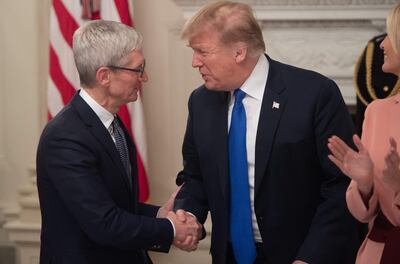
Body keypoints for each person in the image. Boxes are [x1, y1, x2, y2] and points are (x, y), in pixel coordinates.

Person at [173, 1, 360, 263]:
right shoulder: (201, 101)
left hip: (301, 254)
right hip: (229, 256)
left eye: (202, 52)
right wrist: (189, 214)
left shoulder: (315, 94)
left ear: (239, 52)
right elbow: (195, 176)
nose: (195, 62)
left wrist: (311, 257)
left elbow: (340, 186)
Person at [36, 20, 201, 264]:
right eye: (137, 69)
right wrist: (172, 229)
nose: (144, 77)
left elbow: (114, 203)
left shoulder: (110, 122)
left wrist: (159, 213)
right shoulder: (65, 137)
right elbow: (104, 223)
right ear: (104, 76)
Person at [328, 3, 400, 264]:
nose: (382, 44)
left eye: (391, 34)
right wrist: (365, 185)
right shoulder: (377, 111)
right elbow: (361, 214)